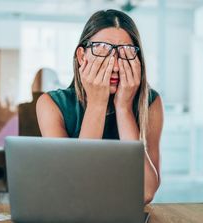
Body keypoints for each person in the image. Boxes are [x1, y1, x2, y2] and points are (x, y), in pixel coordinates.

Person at [36, 9, 163, 204]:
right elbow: (74, 189)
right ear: (81, 55)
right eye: (102, 49)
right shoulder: (51, 104)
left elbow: (145, 192)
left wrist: (124, 109)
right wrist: (97, 103)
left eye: (126, 52)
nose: (115, 66)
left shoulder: (151, 103)